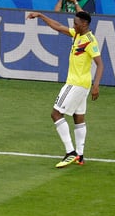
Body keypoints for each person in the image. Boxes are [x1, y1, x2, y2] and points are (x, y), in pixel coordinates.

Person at [26, 11, 103, 168]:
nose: (73, 25)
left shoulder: (89, 41)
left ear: (85, 24)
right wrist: (41, 16)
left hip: (75, 84)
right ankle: (80, 155)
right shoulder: (77, 34)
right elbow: (58, 27)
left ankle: (70, 152)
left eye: (76, 23)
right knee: (78, 117)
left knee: (55, 114)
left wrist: (97, 85)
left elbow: (100, 64)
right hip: (82, 85)